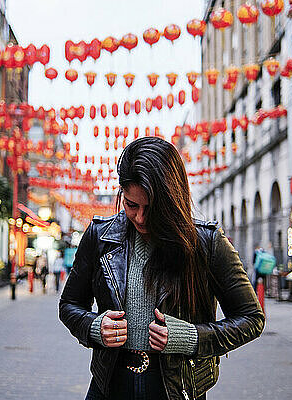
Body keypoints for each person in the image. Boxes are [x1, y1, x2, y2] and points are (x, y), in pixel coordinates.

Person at [59, 137, 265, 400]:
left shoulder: (207, 243)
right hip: (109, 383)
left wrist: (191, 338)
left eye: (152, 208)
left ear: (171, 199)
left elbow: (251, 319)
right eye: (132, 205)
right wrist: (94, 327)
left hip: (176, 389)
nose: (141, 218)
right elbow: (69, 305)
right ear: (122, 194)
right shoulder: (100, 237)